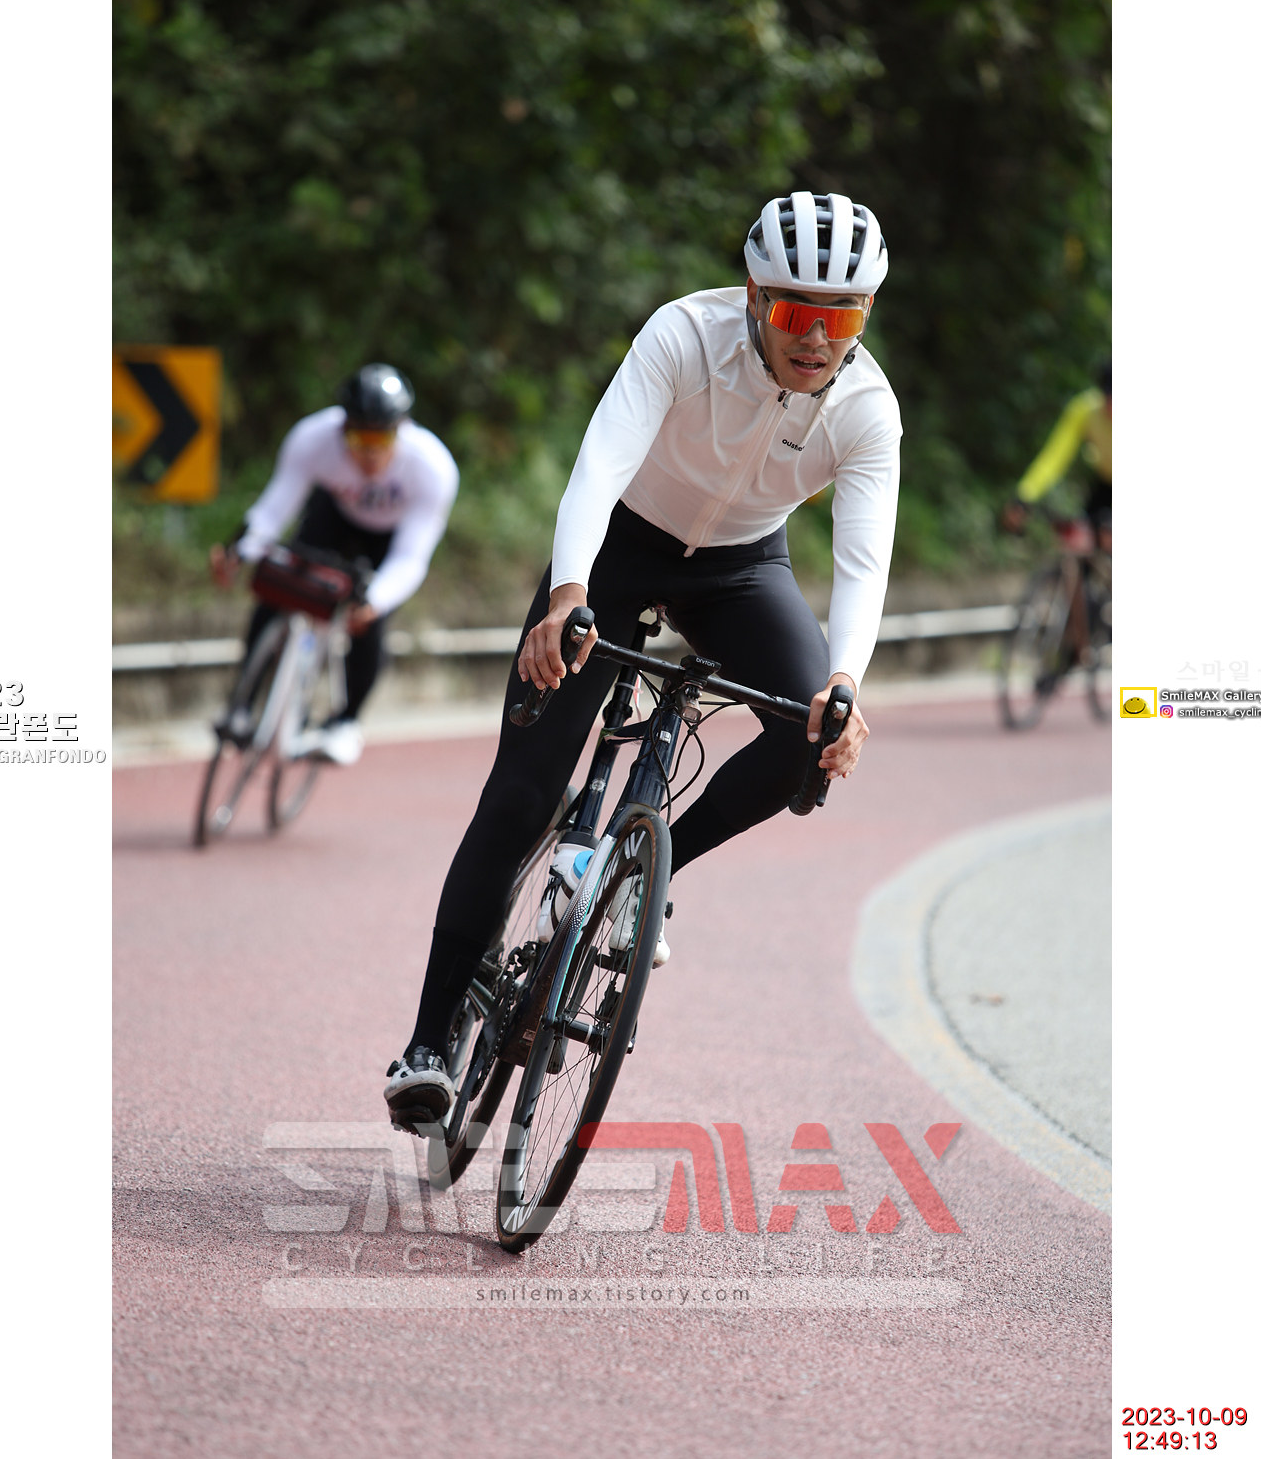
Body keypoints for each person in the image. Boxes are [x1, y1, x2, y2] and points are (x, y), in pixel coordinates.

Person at [384, 191, 902, 1129]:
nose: (817, 340)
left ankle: (642, 884)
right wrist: (568, 595)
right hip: (621, 549)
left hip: (741, 570)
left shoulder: (867, 409)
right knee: (523, 794)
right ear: (756, 297)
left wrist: (843, 683)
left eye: (843, 318)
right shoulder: (685, 335)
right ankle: (425, 1047)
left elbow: (863, 562)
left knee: (806, 735)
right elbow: (600, 467)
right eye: (797, 312)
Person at [209, 364, 459, 764]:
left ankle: (345, 721)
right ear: (343, 428)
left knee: (370, 618)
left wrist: (374, 601)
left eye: (381, 438)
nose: (370, 452)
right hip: (334, 514)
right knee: (278, 582)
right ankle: (241, 706)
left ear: (402, 429)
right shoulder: (314, 438)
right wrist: (240, 552)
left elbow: (411, 558)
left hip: (390, 538)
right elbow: (275, 509)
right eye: (360, 437)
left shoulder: (432, 467)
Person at [1003, 360, 1111, 551]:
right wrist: (1025, 496)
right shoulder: (1086, 410)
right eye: (1109, 398)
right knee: (1083, 543)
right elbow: (1054, 457)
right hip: (1105, 485)